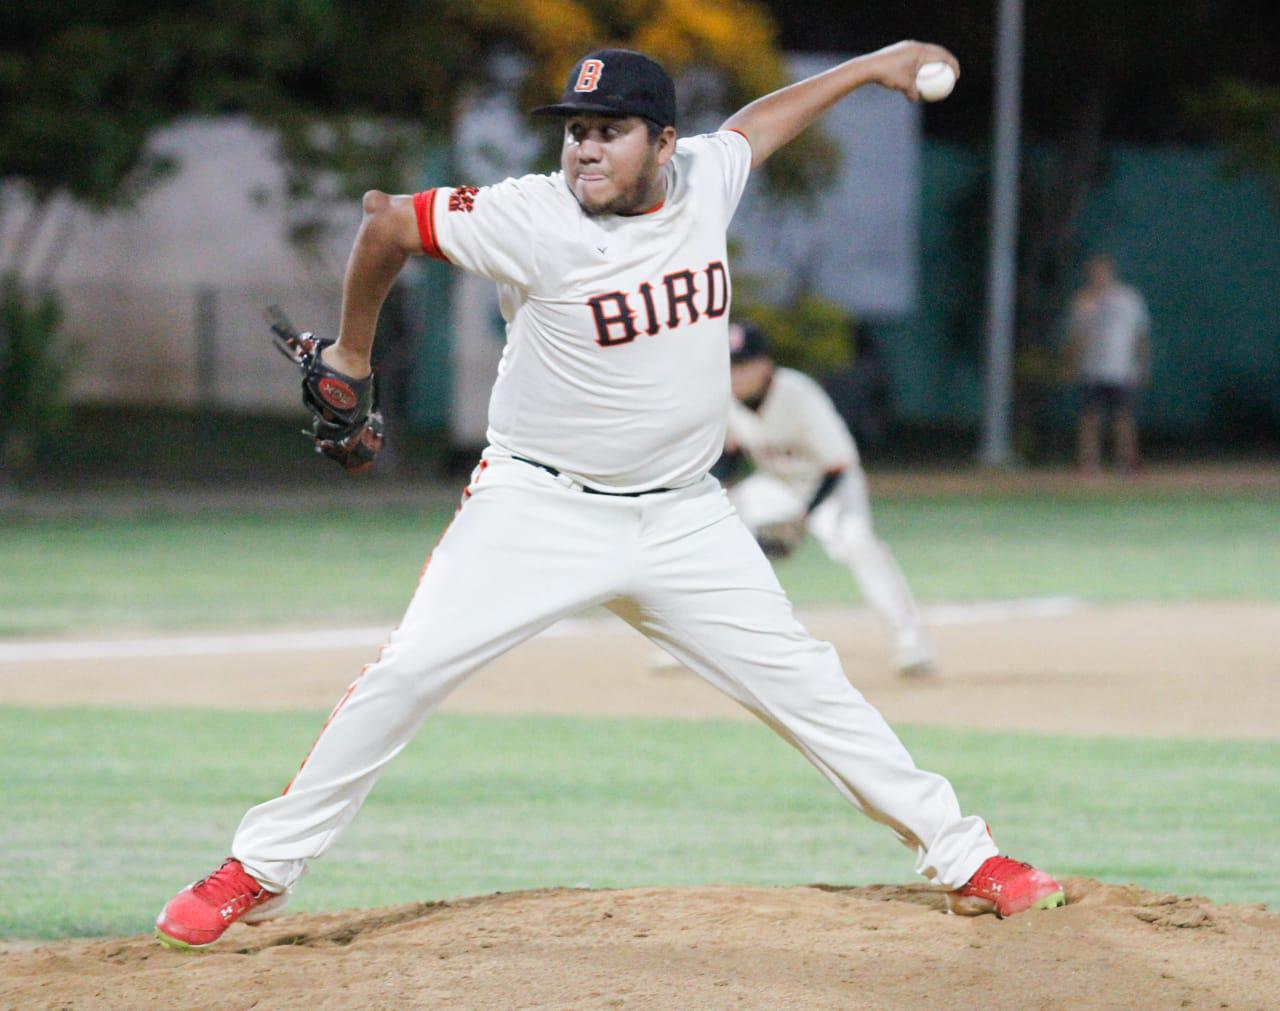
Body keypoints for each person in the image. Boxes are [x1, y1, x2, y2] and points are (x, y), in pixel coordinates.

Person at [156, 44, 1065, 951]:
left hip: (685, 517)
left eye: (610, 131)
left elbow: (759, 125)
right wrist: (352, 356)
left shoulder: (705, 177)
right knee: (407, 672)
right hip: (537, 508)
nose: (585, 149)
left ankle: (965, 858)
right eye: (576, 131)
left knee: (812, 686)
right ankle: (259, 868)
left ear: (664, 143)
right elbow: (386, 221)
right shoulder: (530, 215)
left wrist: (874, 65)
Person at [722, 320, 936, 677]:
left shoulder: (798, 394)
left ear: (765, 364)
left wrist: (803, 516)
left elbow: (838, 463)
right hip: (777, 485)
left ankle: (911, 640)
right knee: (715, 529)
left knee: (857, 543)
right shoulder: (724, 396)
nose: (735, 375)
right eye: (729, 366)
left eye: (743, 365)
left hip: (831, 485)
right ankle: (711, 638)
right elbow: (728, 455)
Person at [1065, 253, 1151, 475]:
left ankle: (1127, 461)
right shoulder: (1083, 301)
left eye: (1102, 271)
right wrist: (1072, 363)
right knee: (1090, 417)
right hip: (1092, 369)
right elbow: (1075, 336)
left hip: (1121, 368)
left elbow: (1140, 334)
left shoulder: (1129, 299)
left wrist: (1143, 365)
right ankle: (1088, 462)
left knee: (1123, 417)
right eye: (1095, 272)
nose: (1099, 276)